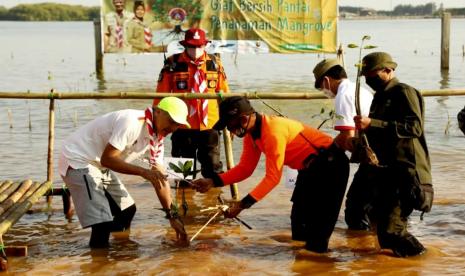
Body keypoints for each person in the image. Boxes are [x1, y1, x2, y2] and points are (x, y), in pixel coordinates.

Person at [192, 96, 349, 253]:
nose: (230, 130)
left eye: (230, 125)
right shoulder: (252, 134)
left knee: (318, 235)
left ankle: (325, 264)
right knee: (299, 225)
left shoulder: (273, 131)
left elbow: (273, 178)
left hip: (331, 166)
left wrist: (242, 205)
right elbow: (245, 168)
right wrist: (213, 181)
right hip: (308, 170)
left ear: (244, 119)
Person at [58, 97, 190, 248]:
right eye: (172, 121)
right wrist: (143, 172)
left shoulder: (157, 138)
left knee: (127, 211)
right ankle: (99, 263)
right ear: (158, 111)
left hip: (98, 164)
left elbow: (161, 180)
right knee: (102, 223)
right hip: (78, 160)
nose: (173, 128)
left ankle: (120, 250)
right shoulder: (132, 122)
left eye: (178, 124)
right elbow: (108, 159)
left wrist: (172, 215)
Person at [353, 52, 433, 257]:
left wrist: (373, 123)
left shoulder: (404, 92)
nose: (369, 80)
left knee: (392, 231)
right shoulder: (379, 97)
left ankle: (423, 260)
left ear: (388, 71)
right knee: (382, 232)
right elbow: (381, 135)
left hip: (407, 170)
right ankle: (406, 266)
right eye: (365, 76)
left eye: (372, 74)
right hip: (387, 171)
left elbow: (414, 128)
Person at [154, 27, 229, 178]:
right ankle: (183, 200)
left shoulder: (215, 64)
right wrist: (157, 124)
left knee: (213, 171)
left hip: (210, 125)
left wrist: (229, 121)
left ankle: (212, 200)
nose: (195, 50)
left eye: (199, 46)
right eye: (191, 46)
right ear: (185, 45)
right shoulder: (172, 64)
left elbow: (225, 95)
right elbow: (160, 98)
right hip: (181, 125)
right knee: (182, 174)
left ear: (205, 45)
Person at [313, 59, 374, 230]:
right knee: (373, 209)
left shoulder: (343, 95)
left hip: (372, 158)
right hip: (382, 153)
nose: (325, 92)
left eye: (321, 88)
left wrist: (328, 149)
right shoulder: (359, 89)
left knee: (355, 210)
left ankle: (362, 250)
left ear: (326, 80)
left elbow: (348, 137)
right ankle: (375, 251)